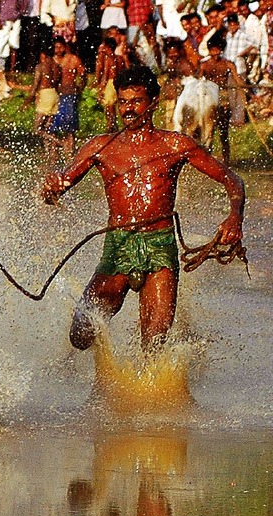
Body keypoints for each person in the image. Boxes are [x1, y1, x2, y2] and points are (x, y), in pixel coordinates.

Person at [41, 66, 245, 353]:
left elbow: (231, 178)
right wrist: (51, 188)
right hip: (119, 244)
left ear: (153, 102)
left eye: (136, 101)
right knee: (81, 335)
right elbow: (60, 185)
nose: (128, 109)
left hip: (159, 245)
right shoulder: (99, 147)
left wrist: (235, 216)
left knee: (154, 347)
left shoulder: (176, 144)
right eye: (123, 102)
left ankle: (171, 374)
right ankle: (101, 375)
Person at [200, 30, 247, 163]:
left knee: (223, 130)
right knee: (207, 130)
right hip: (209, 95)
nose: (215, 53)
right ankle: (205, 158)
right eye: (212, 50)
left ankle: (226, 159)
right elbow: (199, 82)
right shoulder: (204, 65)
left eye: (217, 50)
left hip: (223, 95)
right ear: (209, 50)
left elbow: (238, 80)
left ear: (221, 50)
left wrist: (246, 90)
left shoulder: (228, 64)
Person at [49, 36, 85, 158]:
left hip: (70, 95)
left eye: (60, 47)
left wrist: (79, 89)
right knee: (53, 127)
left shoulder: (73, 59)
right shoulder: (52, 61)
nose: (58, 50)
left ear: (65, 47)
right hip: (55, 96)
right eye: (56, 47)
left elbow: (83, 75)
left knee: (70, 127)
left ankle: (70, 154)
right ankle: (53, 155)